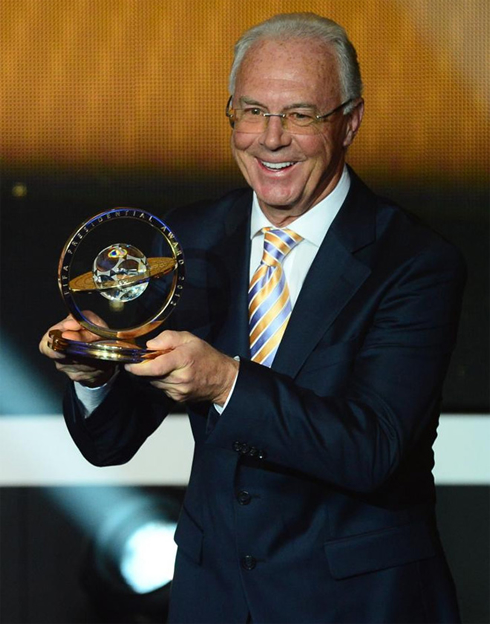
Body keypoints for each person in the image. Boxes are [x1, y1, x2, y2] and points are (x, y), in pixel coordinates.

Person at [40, 13, 465, 624]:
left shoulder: (415, 263)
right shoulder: (185, 242)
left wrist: (224, 381)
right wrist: (94, 372)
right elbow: (111, 443)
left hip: (358, 604)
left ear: (350, 120)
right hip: (213, 599)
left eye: (299, 114)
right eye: (251, 111)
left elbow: (371, 449)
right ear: (230, 114)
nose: (271, 139)